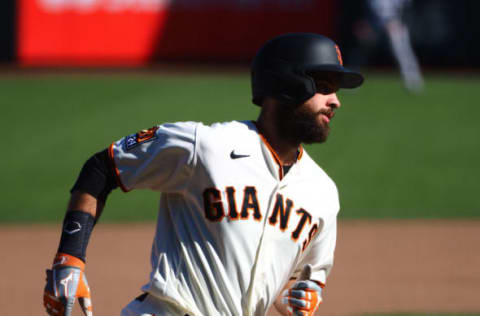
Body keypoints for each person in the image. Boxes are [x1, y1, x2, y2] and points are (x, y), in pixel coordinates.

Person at [43, 32, 363, 316]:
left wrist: (303, 295)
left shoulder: (322, 193)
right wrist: (69, 258)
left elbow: (306, 279)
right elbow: (104, 168)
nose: (335, 101)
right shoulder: (206, 146)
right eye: (324, 88)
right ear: (286, 84)